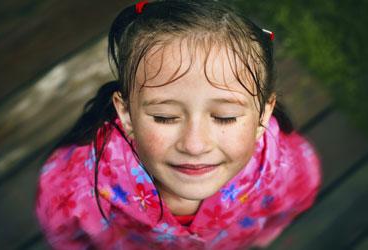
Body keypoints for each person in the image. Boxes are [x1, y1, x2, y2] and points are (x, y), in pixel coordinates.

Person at [35, 0, 322, 249]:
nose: (195, 145)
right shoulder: (78, 185)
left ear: (263, 115)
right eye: (164, 117)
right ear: (126, 114)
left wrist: (265, 235)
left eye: (225, 117)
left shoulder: (285, 166)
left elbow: (295, 199)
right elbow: (64, 233)